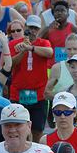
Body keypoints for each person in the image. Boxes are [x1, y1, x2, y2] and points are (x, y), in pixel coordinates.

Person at [8, 14, 53, 142]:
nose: (32, 31)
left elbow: (50, 53)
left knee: (38, 129)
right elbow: (11, 64)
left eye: (35, 28)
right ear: (25, 27)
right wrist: (23, 50)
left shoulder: (43, 42)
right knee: (19, 128)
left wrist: (31, 48)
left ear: (39, 30)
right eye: (30, 27)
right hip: (18, 94)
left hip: (39, 94)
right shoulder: (14, 44)